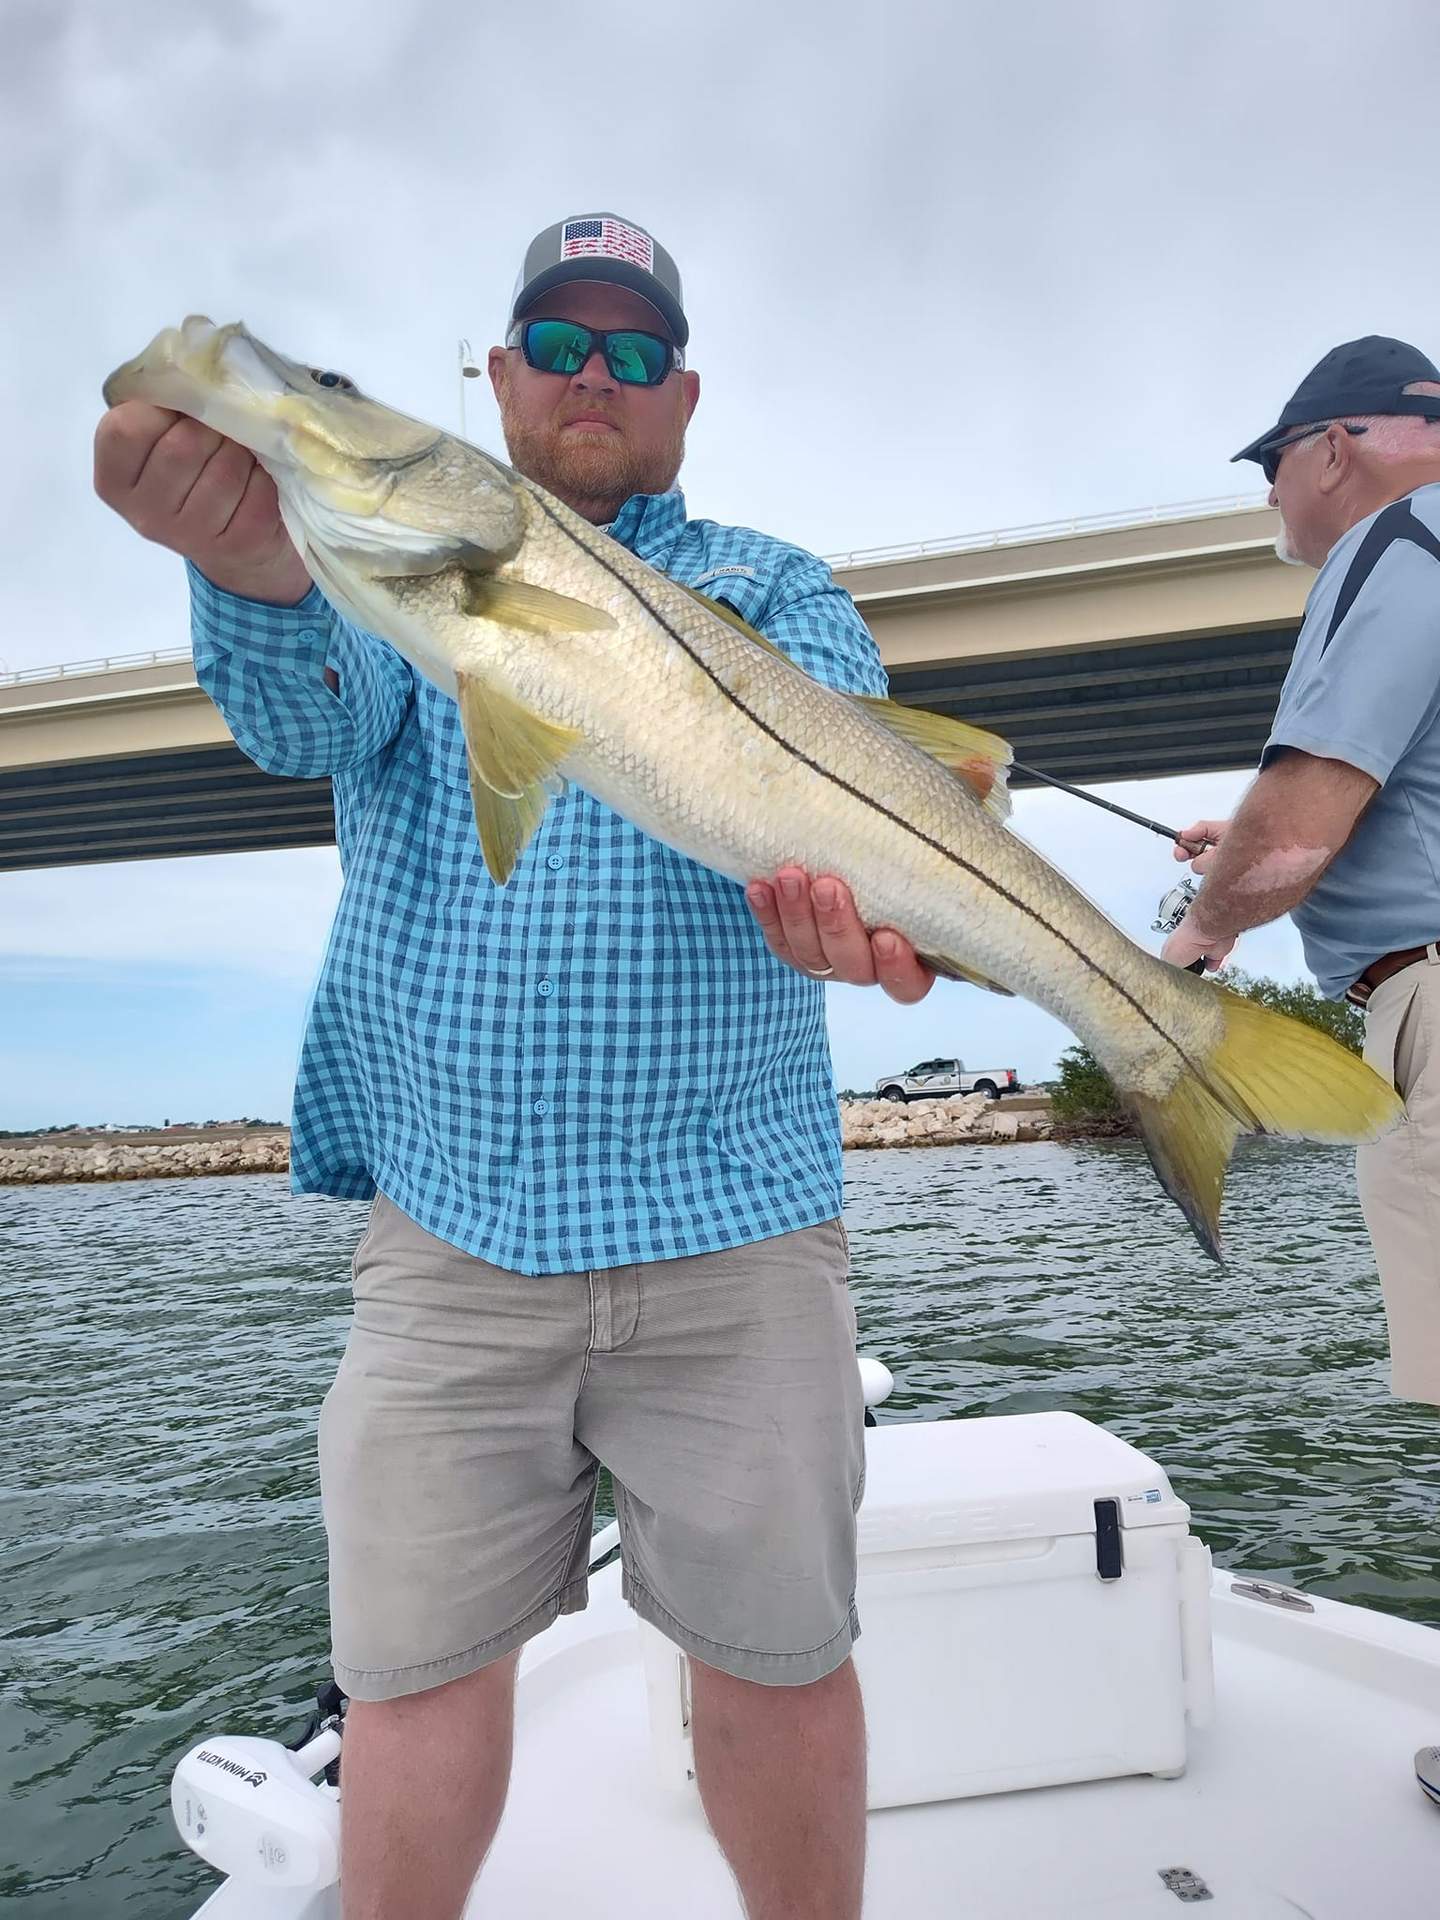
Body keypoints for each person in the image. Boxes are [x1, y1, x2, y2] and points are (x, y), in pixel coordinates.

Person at [94, 212, 934, 1920]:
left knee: (776, 1661)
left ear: (683, 391)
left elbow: (849, 799)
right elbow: (303, 723)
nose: (593, 376)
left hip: (738, 1223)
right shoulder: (388, 574)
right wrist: (256, 567)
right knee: (410, 1679)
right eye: (558, 344)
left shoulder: (774, 585)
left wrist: (860, 916)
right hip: (451, 1239)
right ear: (492, 378)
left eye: (634, 351)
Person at [1162, 335, 1440, 1406]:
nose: (1271, 494)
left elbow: (1297, 833)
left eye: (1268, 464)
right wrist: (1241, 848)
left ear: (1331, 450)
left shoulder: (1398, 541)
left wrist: (1196, 940)